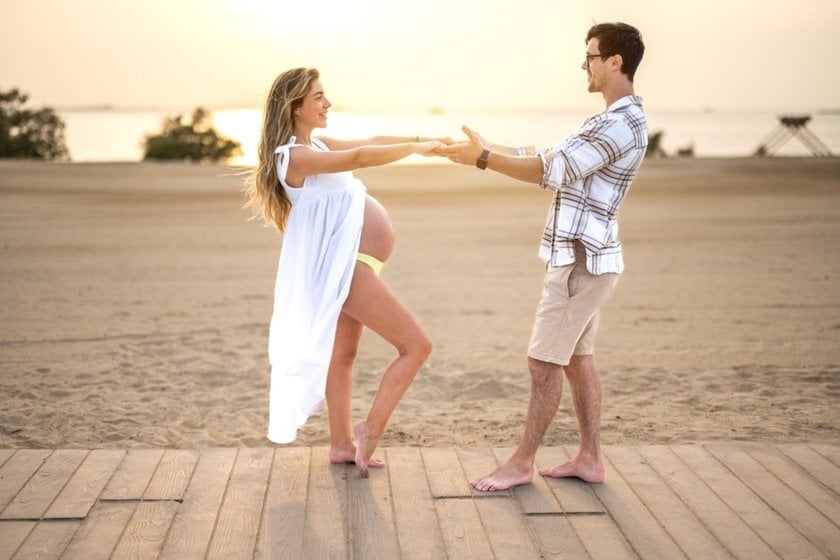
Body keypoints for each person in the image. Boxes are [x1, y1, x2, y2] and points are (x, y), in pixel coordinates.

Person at [438, 22, 647, 491]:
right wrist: (483, 149)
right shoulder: (612, 118)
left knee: (542, 364)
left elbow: (547, 171)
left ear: (615, 62)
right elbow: (546, 153)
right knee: (576, 359)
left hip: (578, 262)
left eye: (591, 56)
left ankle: (520, 463)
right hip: (591, 258)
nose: (584, 65)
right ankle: (590, 459)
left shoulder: (618, 123)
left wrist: (483, 161)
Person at [246, 67, 445, 477]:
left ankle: (340, 445)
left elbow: (369, 143)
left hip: (355, 264)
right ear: (295, 106)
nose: (327, 103)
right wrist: (413, 148)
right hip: (342, 271)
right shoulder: (293, 157)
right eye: (318, 97)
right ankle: (369, 430)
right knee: (416, 346)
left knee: (344, 355)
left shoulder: (316, 142)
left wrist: (424, 143)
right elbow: (356, 159)